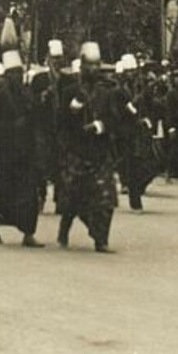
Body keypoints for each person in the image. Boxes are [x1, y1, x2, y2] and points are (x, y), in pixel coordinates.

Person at [53, 41, 124, 253]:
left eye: (96, 65)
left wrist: (100, 126)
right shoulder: (70, 91)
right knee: (73, 197)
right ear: (82, 65)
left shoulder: (108, 91)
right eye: (89, 65)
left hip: (100, 151)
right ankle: (64, 228)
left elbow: (116, 119)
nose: (93, 69)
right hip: (77, 150)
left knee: (105, 199)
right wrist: (74, 113)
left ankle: (101, 239)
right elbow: (60, 121)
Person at [0, 50, 43, 247]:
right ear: (7, 76)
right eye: (13, 74)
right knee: (4, 192)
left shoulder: (27, 95)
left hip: (25, 151)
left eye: (19, 73)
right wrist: (11, 126)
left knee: (28, 194)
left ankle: (28, 233)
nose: (17, 77)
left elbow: (35, 118)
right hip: (5, 152)